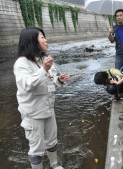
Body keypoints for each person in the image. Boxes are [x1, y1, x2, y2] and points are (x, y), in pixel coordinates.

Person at [13, 27, 69, 169]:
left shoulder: (44, 59)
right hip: (33, 113)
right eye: (42, 37)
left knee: (52, 140)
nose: (46, 40)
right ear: (32, 41)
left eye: (45, 36)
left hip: (48, 109)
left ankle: (54, 164)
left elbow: (51, 83)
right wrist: (43, 69)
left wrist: (59, 80)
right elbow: (27, 85)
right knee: (36, 148)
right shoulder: (21, 63)